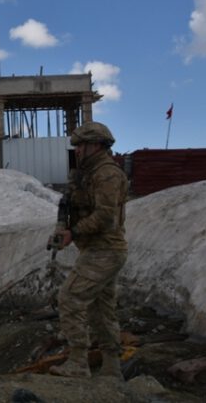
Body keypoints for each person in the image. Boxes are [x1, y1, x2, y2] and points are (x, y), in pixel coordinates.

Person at [49, 121, 129, 379]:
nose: (78, 150)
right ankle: (111, 368)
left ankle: (78, 363)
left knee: (70, 298)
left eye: (81, 145)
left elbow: (105, 217)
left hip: (105, 250)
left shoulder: (107, 174)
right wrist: (62, 228)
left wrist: (74, 232)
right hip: (96, 250)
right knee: (100, 309)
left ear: (96, 144)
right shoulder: (82, 173)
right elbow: (67, 204)